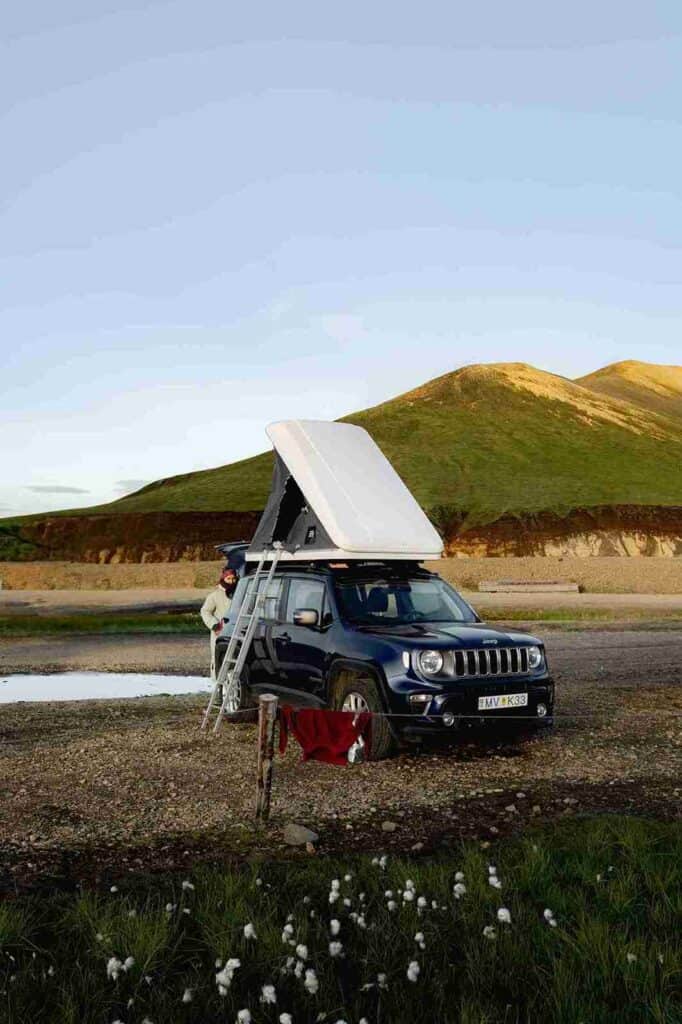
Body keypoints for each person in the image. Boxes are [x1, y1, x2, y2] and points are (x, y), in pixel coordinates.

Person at [200, 567, 238, 682]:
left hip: (235, 632)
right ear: (223, 578)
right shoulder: (214, 596)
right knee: (219, 660)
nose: (231, 581)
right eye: (228, 578)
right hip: (220, 633)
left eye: (233, 579)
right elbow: (205, 611)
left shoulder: (239, 594)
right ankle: (218, 687)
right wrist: (215, 625)